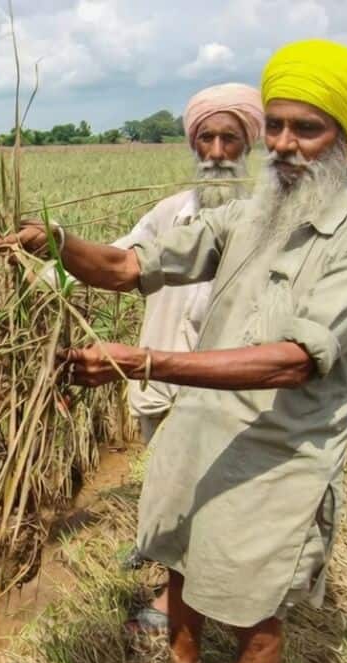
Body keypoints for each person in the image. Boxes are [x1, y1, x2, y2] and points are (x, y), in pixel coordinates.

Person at [0, 40, 347, 663]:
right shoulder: (248, 216)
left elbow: (292, 359)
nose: (285, 144)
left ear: (345, 139)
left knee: (256, 612)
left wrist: (146, 363)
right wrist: (56, 241)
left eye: (307, 129)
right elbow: (129, 267)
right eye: (280, 125)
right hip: (200, 427)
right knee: (182, 557)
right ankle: (182, 659)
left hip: (282, 452)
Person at [120, 83, 264, 446]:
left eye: (229, 139)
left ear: (247, 144)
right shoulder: (168, 213)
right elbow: (119, 258)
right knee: (160, 492)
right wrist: (51, 254)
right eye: (206, 138)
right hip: (159, 390)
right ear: (193, 144)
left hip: (229, 399)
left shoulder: (268, 221)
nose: (217, 152)